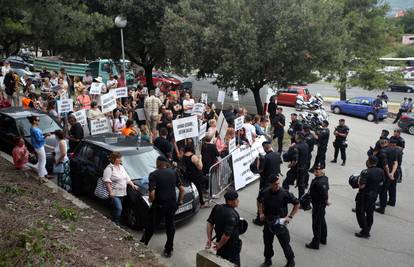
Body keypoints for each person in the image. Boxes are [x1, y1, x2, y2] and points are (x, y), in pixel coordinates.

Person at [140, 156, 184, 257]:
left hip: (159, 205)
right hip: (172, 205)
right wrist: (180, 202)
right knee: (170, 226)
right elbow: (182, 189)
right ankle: (168, 250)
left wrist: (151, 201)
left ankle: (143, 244)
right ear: (166, 163)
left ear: (158, 163)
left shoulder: (153, 175)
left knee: (151, 225)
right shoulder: (173, 172)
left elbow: (152, 193)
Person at [257, 176, 299, 267]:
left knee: (285, 243)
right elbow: (259, 201)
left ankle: (291, 261)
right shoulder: (265, 192)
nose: (277, 185)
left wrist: (290, 217)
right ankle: (268, 260)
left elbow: (297, 203)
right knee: (267, 243)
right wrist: (260, 213)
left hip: (280, 222)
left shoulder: (284, 193)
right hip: (268, 221)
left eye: (278, 183)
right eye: (275, 184)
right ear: (270, 184)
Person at [206, 190, 242, 266]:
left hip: (220, 243)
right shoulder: (233, 215)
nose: (238, 201)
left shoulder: (217, 207)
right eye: (236, 199)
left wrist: (209, 239)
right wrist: (219, 245)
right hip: (231, 247)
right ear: (229, 201)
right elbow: (226, 235)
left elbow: (210, 223)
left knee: (220, 263)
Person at [103, 152, 139, 224]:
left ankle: (114, 220)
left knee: (116, 208)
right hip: (114, 193)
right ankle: (115, 223)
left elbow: (127, 178)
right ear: (113, 159)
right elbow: (107, 181)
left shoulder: (121, 167)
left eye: (120, 158)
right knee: (119, 208)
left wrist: (133, 185)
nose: (120, 159)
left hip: (122, 193)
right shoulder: (109, 168)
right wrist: (110, 192)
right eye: (118, 158)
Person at [354, 156, 385, 238]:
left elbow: (362, 186)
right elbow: (382, 183)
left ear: (369, 162)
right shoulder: (381, 171)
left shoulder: (365, 172)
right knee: (370, 212)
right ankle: (367, 228)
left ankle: (365, 230)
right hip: (374, 195)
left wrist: (356, 182)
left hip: (364, 195)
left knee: (360, 212)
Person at [306, 165, 329, 249]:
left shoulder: (320, 182)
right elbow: (326, 192)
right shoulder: (324, 178)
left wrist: (325, 201)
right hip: (320, 205)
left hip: (318, 205)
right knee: (322, 221)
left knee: (316, 224)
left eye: (317, 171)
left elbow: (324, 194)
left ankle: (315, 243)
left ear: (322, 171)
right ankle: (323, 239)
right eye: (315, 171)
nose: (315, 173)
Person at [375, 139, 398, 214]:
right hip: (391, 173)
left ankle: (382, 207)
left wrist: (388, 174)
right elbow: (395, 163)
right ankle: (382, 205)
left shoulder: (382, 152)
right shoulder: (393, 150)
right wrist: (392, 173)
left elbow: (385, 165)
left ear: (381, 145)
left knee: (382, 191)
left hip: (384, 174)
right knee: (385, 190)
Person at [182, 142, 208, 208]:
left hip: (188, 175)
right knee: (199, 188)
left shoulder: (183, 156)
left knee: (196, 188)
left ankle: (200, 198)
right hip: (196, 176)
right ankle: (202, 203)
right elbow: (200, 167)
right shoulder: (193, 157)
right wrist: (200, 158)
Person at [28, 116, 49, 183]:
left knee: (40, 161)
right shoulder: (35, 129)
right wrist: (46, 135)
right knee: (43, 162)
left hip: (37, 146)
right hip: (39, 147)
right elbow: (39, 139)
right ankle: (41, 177)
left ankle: (44, 175)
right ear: (34, 121)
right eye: (38, 120)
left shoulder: (33, 128)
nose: (39, 121)